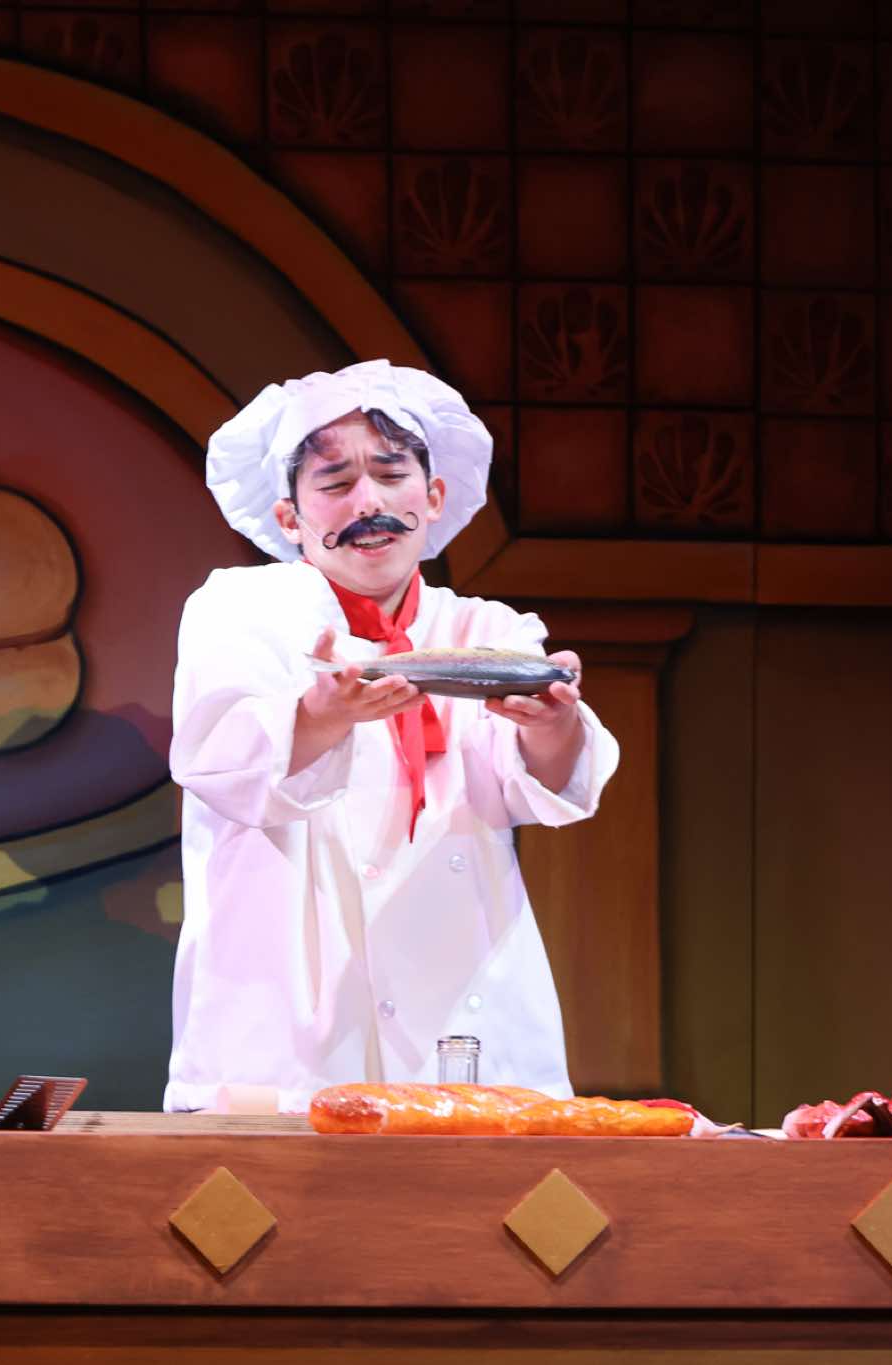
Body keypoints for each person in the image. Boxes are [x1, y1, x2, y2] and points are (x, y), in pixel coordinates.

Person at [164, 359, 620, 1113]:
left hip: (466, 1009)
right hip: (288, 1025)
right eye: (336, 482)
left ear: (432, 496)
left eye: (389, 474)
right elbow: (219, 761)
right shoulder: (240, 609)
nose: (368, 502)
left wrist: (554, 722)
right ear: (290, 518)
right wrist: (323, 715)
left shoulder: (484, 630)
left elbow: (541, 785)